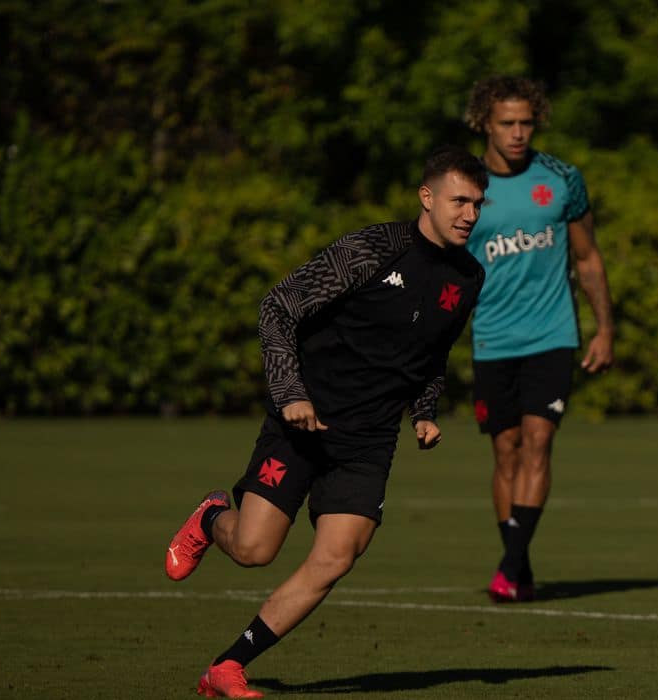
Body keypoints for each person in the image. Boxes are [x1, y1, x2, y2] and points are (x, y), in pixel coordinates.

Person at [164, 145, 486, 698]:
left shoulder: (469, 276)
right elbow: (278, 307)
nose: (470, 214)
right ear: (427, 197)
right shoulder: (371, 249)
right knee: (254, 550)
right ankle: (212, 515)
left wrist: (425, 411)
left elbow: (433, 354)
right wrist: (290, 394)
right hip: (303, 425)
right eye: (459, 201)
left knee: (337, 557)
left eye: (478, 204)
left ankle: (228, 666)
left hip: (369, 441)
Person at [462, 76, 615, 602]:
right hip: (492, 338)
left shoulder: (563, 179)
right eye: (507, 123)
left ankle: (507, 568)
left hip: (552, 334)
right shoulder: (465, 184)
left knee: (539, 441)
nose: (518, 133)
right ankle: (519, 567)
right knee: (506, 452)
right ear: (484, 123)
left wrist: (605, 329)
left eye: (526, 123)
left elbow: (588, 258)